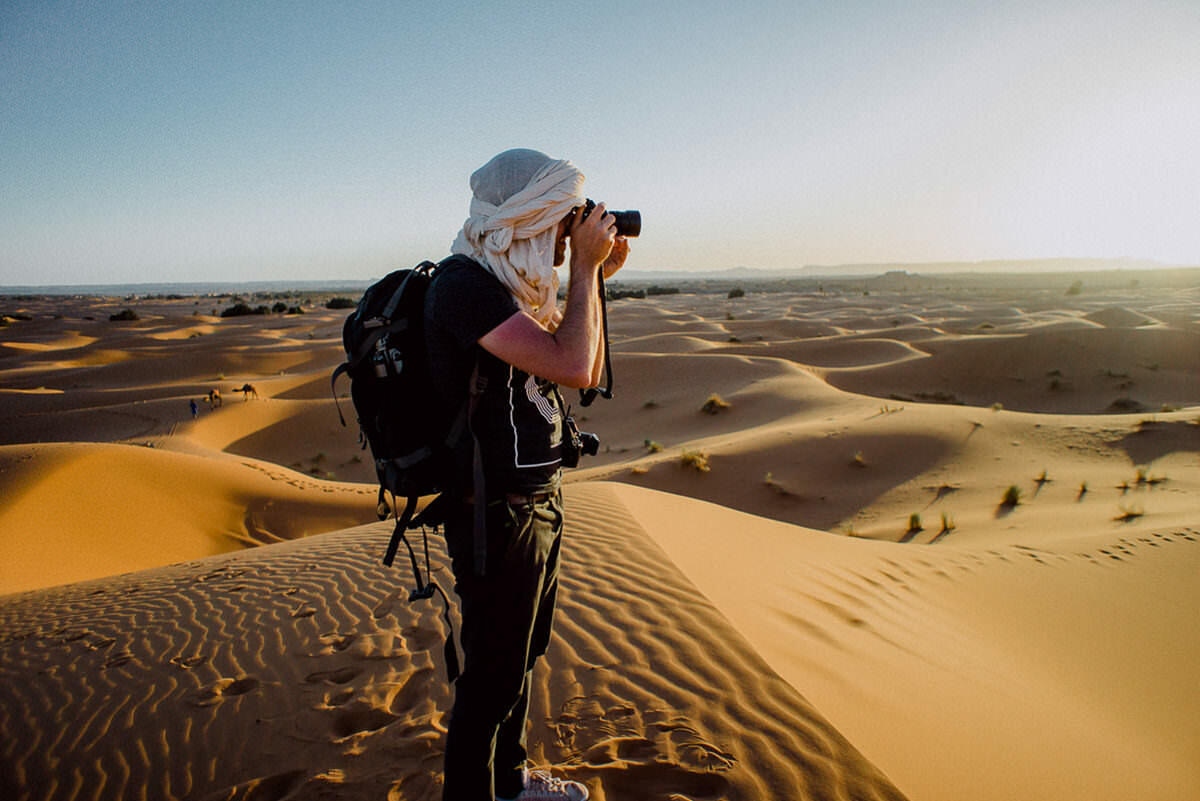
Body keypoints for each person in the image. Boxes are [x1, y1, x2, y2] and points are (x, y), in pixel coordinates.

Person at [423, 149, 628, 801]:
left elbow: (587, 370)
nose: (569, 235)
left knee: (524, 653)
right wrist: (587, 266)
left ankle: (508, 784)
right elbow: (570, 363)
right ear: (528, 215)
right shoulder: (464, 286)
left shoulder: (521, 289)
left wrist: (591, 278)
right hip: (493, 508)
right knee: (492, 677)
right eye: (562, 219)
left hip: (538, 496)